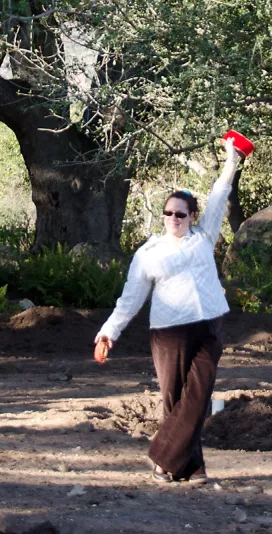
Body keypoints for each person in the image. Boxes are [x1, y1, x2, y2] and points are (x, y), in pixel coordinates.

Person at [94, 137, 247, 484]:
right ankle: (192, 468)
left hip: (208, 325)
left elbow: (220, 193)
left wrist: (231, 159)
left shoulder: (204, 237)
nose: (173, 218)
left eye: (180, 213)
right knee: (175, 400)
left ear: (193, 216)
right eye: (168, 213)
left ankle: (162, 456)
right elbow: (131, 298)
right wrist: (108, 331)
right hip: (168, 332)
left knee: (198, 397)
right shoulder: (149, 253)